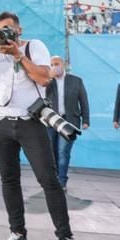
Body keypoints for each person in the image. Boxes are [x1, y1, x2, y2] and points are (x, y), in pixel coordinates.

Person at [0, 11, 89, 240]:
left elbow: (45, 79)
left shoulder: (35, 46)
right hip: (0, 122)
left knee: (49, 179)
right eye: (0, 30)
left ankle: (66, 237)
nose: (5, 35)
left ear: (19, 30)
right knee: (9, 180)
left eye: (9, 30)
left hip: (30, 122)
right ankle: (17, 233)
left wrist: (18, 55)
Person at [46, 56, 90, 189]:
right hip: (51, 121)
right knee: (52, 151)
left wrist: (86, 120)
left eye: (57, 64)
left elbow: (83, 101)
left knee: (63, 151)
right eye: (52, 64)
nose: (55, 66)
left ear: (63, 64)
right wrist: (48, 78)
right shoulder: (47, 82)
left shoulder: (76, 81)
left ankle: (62, 180)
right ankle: (54, 179)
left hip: (69, 121)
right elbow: (40, 95)